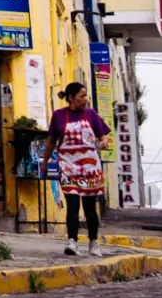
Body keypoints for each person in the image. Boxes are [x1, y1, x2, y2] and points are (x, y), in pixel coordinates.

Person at [42, 80, 112, 256]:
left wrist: (103, 143)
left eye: (86, 95)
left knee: (90, 207)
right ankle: (72, 241)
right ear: (71, 98)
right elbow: (51, 142)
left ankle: (93, 242)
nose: (86, 99)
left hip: (89, 169)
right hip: (68, 166)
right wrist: (45, 162)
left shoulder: (91, 114)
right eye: (82, 96)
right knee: (72, 205)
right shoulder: (58, 116)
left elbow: (103, 137)